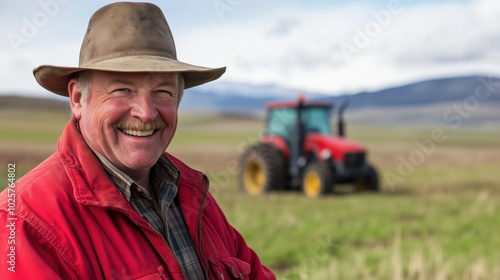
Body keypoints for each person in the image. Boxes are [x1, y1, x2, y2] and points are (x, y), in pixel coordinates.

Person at [0, 2, 275, 279]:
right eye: (122, 90)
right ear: (78, 99)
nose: (146, 113)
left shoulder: (192, 194)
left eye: (163, 92)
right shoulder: (23, 222)